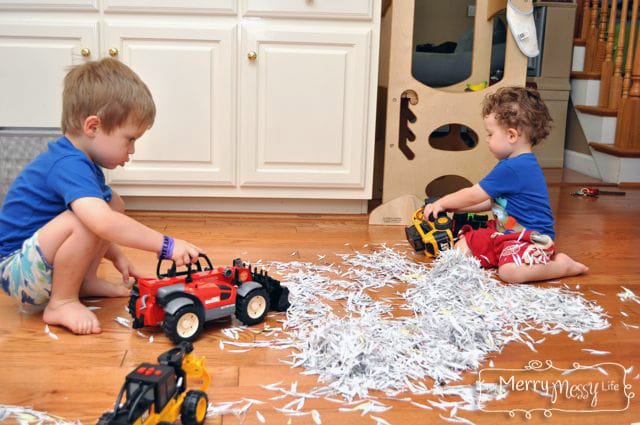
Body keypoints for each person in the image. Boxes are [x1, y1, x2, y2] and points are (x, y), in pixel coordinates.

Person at [0, 58, 202, 335]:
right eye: (129, 139)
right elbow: (100, 224)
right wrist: (166, 246)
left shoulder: (81, 163)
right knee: (88, 219)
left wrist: (115, 255)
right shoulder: (67, 164)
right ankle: (61, 301)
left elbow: (104, 219)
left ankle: (82, 281)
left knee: (111, 202)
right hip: (17, 271)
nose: (131, 150)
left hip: (38, 262)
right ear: (93, 127)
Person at [423, 86, 588, 284]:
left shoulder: (514, 168)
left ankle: (562, 265)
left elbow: (474, 194)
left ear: (511, 135)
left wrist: (442, 202)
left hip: (529, 237)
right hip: (505, 231)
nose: (486, 139)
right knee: (460, 249)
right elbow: (490, 203)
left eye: (490, 134)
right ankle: (503, 254)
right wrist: (452, 207)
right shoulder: (514, 164)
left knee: (509, 273)